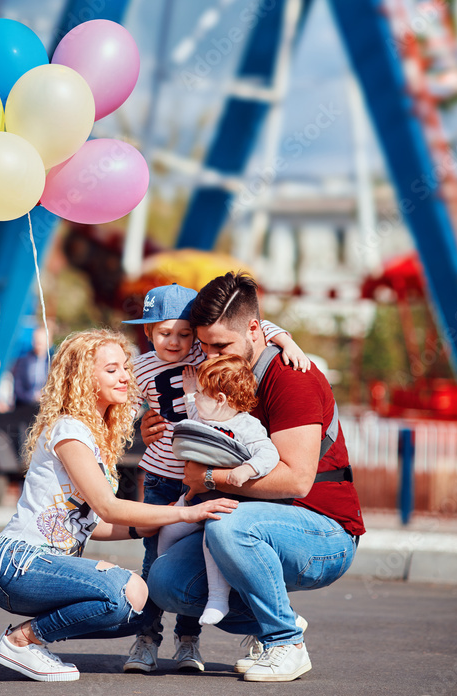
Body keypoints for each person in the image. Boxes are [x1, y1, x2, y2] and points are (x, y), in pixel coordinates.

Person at [0, 328, 239, 684]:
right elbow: (107, 506)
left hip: (40, 565)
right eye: (112, 369)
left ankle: (31, 639)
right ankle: (22, 641)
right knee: (123, 589)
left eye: (125, 368)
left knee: (140, 608)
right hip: (17, 563)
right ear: (85, 377)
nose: (125, 377)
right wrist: (186, 513)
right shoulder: (70, 429)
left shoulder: (93, 433)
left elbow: (88, 522)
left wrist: (140, 527)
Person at [145, 272, 365, 684]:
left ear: (254, 330)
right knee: (165, 582)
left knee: (229, 527)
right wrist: (150, 426)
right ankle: (278, 621)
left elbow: (296, 481)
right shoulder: (223, 369)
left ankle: (284, 642)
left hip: (323, 532)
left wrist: (210, 478)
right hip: (253, 522)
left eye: (220, 346)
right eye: (203, 345)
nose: (208, 356)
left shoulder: (290, 377)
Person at [121, 283, 309, 674]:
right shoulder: (139, 368)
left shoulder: (203, 352)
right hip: (163, 475)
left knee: (205, 558)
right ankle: (145, 638)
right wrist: (142, 425)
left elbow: (245, 324)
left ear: (195, 333)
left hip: (204, 479)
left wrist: (286, 340)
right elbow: (120, 407)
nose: (175, 342)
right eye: (163, 332)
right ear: (148, 331)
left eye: (184, 333)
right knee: (154, 558)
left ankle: (189, 640)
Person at [158, 354, 279, 627]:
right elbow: (192, 415)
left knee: (211, 542)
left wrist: (246, 470)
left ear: (221, 399)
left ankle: (217, 599)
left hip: (221, 504)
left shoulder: (246, 426)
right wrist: (191, 393)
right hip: (192, 500)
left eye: (202, 394)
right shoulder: (204, 415)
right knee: (168, 529)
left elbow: (268, 452)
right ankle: (158, 571)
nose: (197, 399)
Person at [11, 326, 50, 406]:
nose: (39, 346)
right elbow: (17, 387)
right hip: (25, 406)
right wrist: (31, 397)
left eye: (41, 343)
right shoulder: (22, 362)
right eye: (37, 342)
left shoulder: (52, 363)